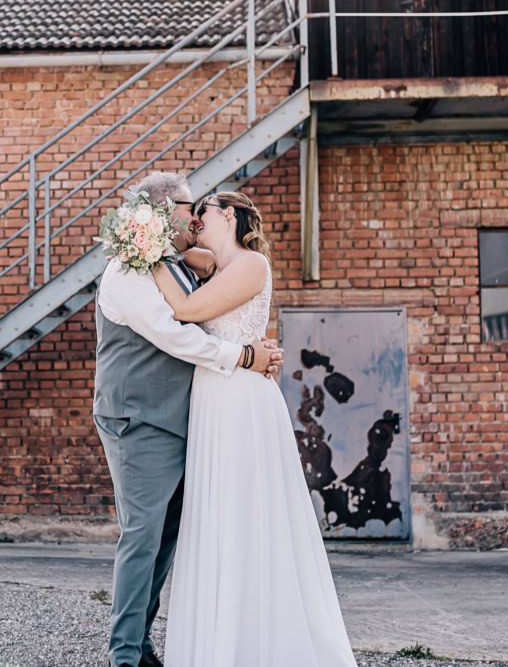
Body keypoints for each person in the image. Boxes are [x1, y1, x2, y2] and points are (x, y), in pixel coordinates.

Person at [153, 191, 358, 667]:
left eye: (203, 211)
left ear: (228, 215)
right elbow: (187, 255)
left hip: (240, 400)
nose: (196, 220)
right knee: (216, 514)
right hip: (213, 396)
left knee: (244, 514)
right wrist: (161, 244)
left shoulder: (251, 264)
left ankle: (256, 642)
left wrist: (147, 256)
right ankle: (224, 637)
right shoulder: (213, 264)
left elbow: (185, 310)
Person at [93, 171, 284, 667]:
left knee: (168, 536)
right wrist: (244, 356)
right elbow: (174, 335)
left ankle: (141, 640)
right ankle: (124, 655)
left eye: (202, 209)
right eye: (187, 208)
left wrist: (251, 344)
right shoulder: (128, 272)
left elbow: (218, 293)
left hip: (184, 421)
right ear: (162, 211)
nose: (195, 216)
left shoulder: (178, 262)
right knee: (142, 535)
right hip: (138, 419)